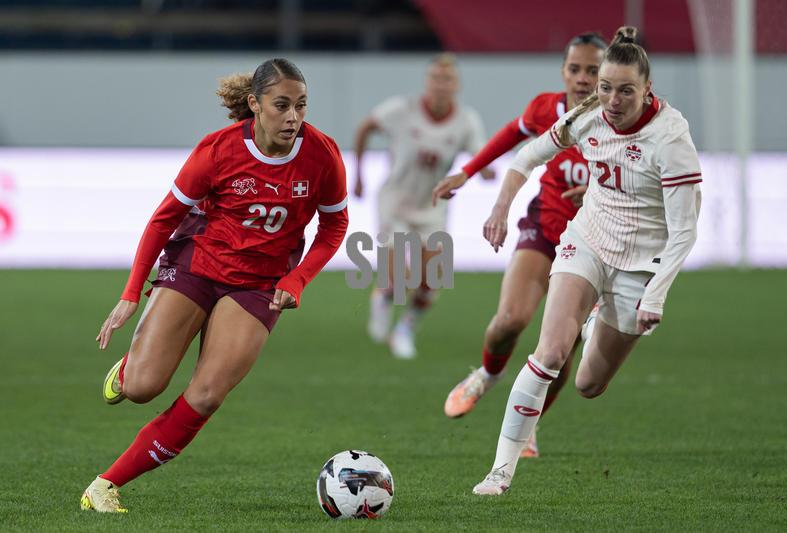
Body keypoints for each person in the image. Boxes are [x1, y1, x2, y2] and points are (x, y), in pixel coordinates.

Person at [80, 58, 349, 513]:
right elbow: (163, 219)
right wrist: (130, 294)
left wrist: (298, 278)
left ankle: (104, 486)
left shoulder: (321, 153)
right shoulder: (219, 149)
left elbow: (335, 224)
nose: (293, 117)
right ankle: (134, 365)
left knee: (205, 395)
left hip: (260, 285)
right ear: (255, 104)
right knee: (144, 387)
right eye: (282, 105)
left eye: (301, 106)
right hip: (197, 268)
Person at [443, 26, 702, 495]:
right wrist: (498, 202)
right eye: (605, 88)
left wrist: (657, 294)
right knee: (549, 352)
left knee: (587, 384)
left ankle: (599, 318)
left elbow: (684, 229)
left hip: (640, 266)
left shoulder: (671, 137)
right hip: (586, 241)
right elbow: (528, 152)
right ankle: (499, 471)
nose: (613, 100)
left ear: (648, 89)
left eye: (626, 90)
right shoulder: (587, 117)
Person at [433, 33, 607, 459]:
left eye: (593, 70)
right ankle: (487, 375)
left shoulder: (621, 118)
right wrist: (469, 173)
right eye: (575, 68)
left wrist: (601, 193)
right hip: (545, 230)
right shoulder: (549, 108)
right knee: (510, 320)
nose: (582, 78)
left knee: (560, 352)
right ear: (563, 71)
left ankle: (528, 425)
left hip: (597, 246)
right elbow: (514, 138)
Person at [353, 53, 493, 359]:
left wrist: (487, 169)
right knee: (402, 275)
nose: (441, 85)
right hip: (395, 202)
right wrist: (359, 175)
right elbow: (366, 127)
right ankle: (384, 296)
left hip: (432, 207)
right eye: (436, 79)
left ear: (456, 85)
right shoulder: (402, 110)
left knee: (431, 281)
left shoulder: (465, 120)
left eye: (448, 80)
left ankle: (404, 329)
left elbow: (481, 155)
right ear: (427, 82)